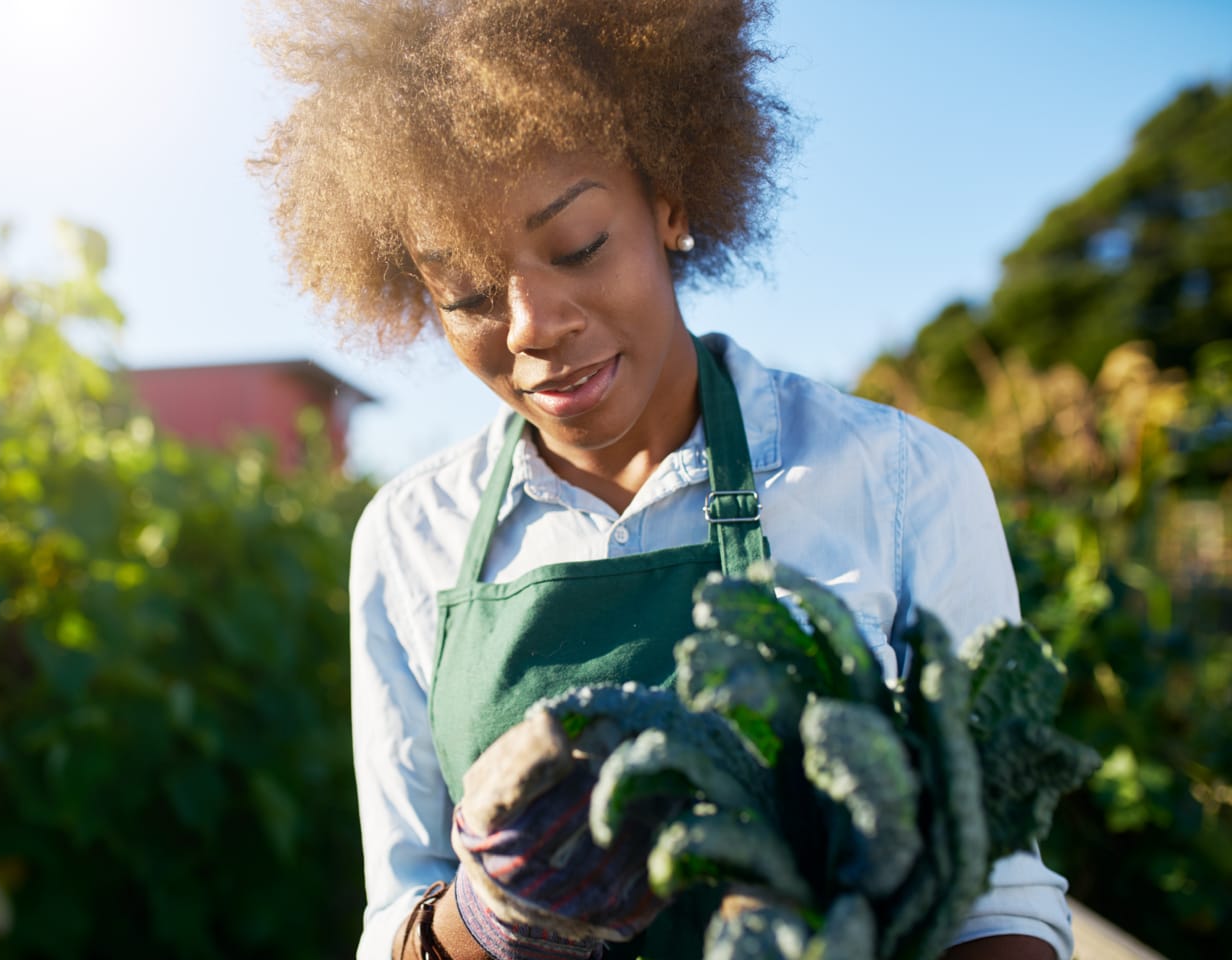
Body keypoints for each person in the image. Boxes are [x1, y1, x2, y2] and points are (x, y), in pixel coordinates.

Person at [254, 1, 1076, 957]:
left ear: (671, 201)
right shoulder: (406, 536)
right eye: (469, 293)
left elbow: (1002, 899)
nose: (529, 324)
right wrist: (499, 913)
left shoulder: (900, 482)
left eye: (578, 247)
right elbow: (396, 920)